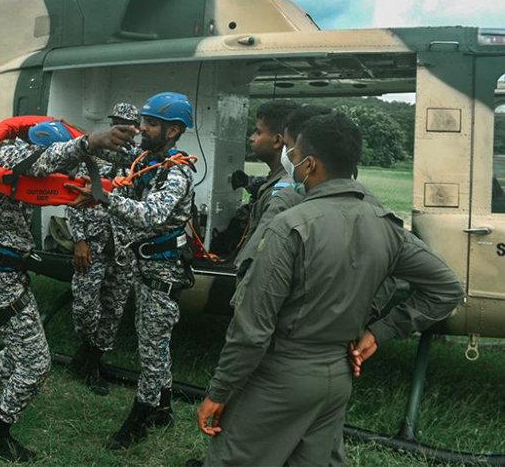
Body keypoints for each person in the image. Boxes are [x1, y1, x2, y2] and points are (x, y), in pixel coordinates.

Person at [195, 113, 464, 466]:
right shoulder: (386, 226)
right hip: (337, 377)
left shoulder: (291, 227)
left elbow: (252, 329)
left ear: (310, 165)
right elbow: (446, 288)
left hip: (282, 376)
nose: (291, 164)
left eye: (293, 157)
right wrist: (379, 331)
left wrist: (219, 391)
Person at [0, 119, 136, 462]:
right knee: (36, 364)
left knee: (19, 350)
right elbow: (48, 160)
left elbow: (50, 181)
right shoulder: (13, 156)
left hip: (4, 273)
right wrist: (91, 141)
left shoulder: (13, 163)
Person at [68, 92, 197, 450]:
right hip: (145, 266)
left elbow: (152, 214)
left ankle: (138, 420)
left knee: (152, 348)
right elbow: (123, 189)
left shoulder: (177, 171)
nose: (143, 129)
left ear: (172, 131)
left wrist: (102, 196)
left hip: (164, 273)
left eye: (151, 124)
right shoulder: (148, 162)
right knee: (154, 344)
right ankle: (164, 407)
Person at [65, 102, 140, 396]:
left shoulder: (140, 161)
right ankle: (84, 354)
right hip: (92, 244)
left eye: (130, 124)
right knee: (85, 306)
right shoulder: (89, 153)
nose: (124, 129)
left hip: (122, 246)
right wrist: (79, 240)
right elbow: (73, 197)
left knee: (113, 309)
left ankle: (91, 363)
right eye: (118, 123)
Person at [237, 100, 300, 259]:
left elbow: (260, 255)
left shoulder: (282, 190)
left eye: (258, 132)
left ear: (277, 140)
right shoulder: (280, 180)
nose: (252, 138)